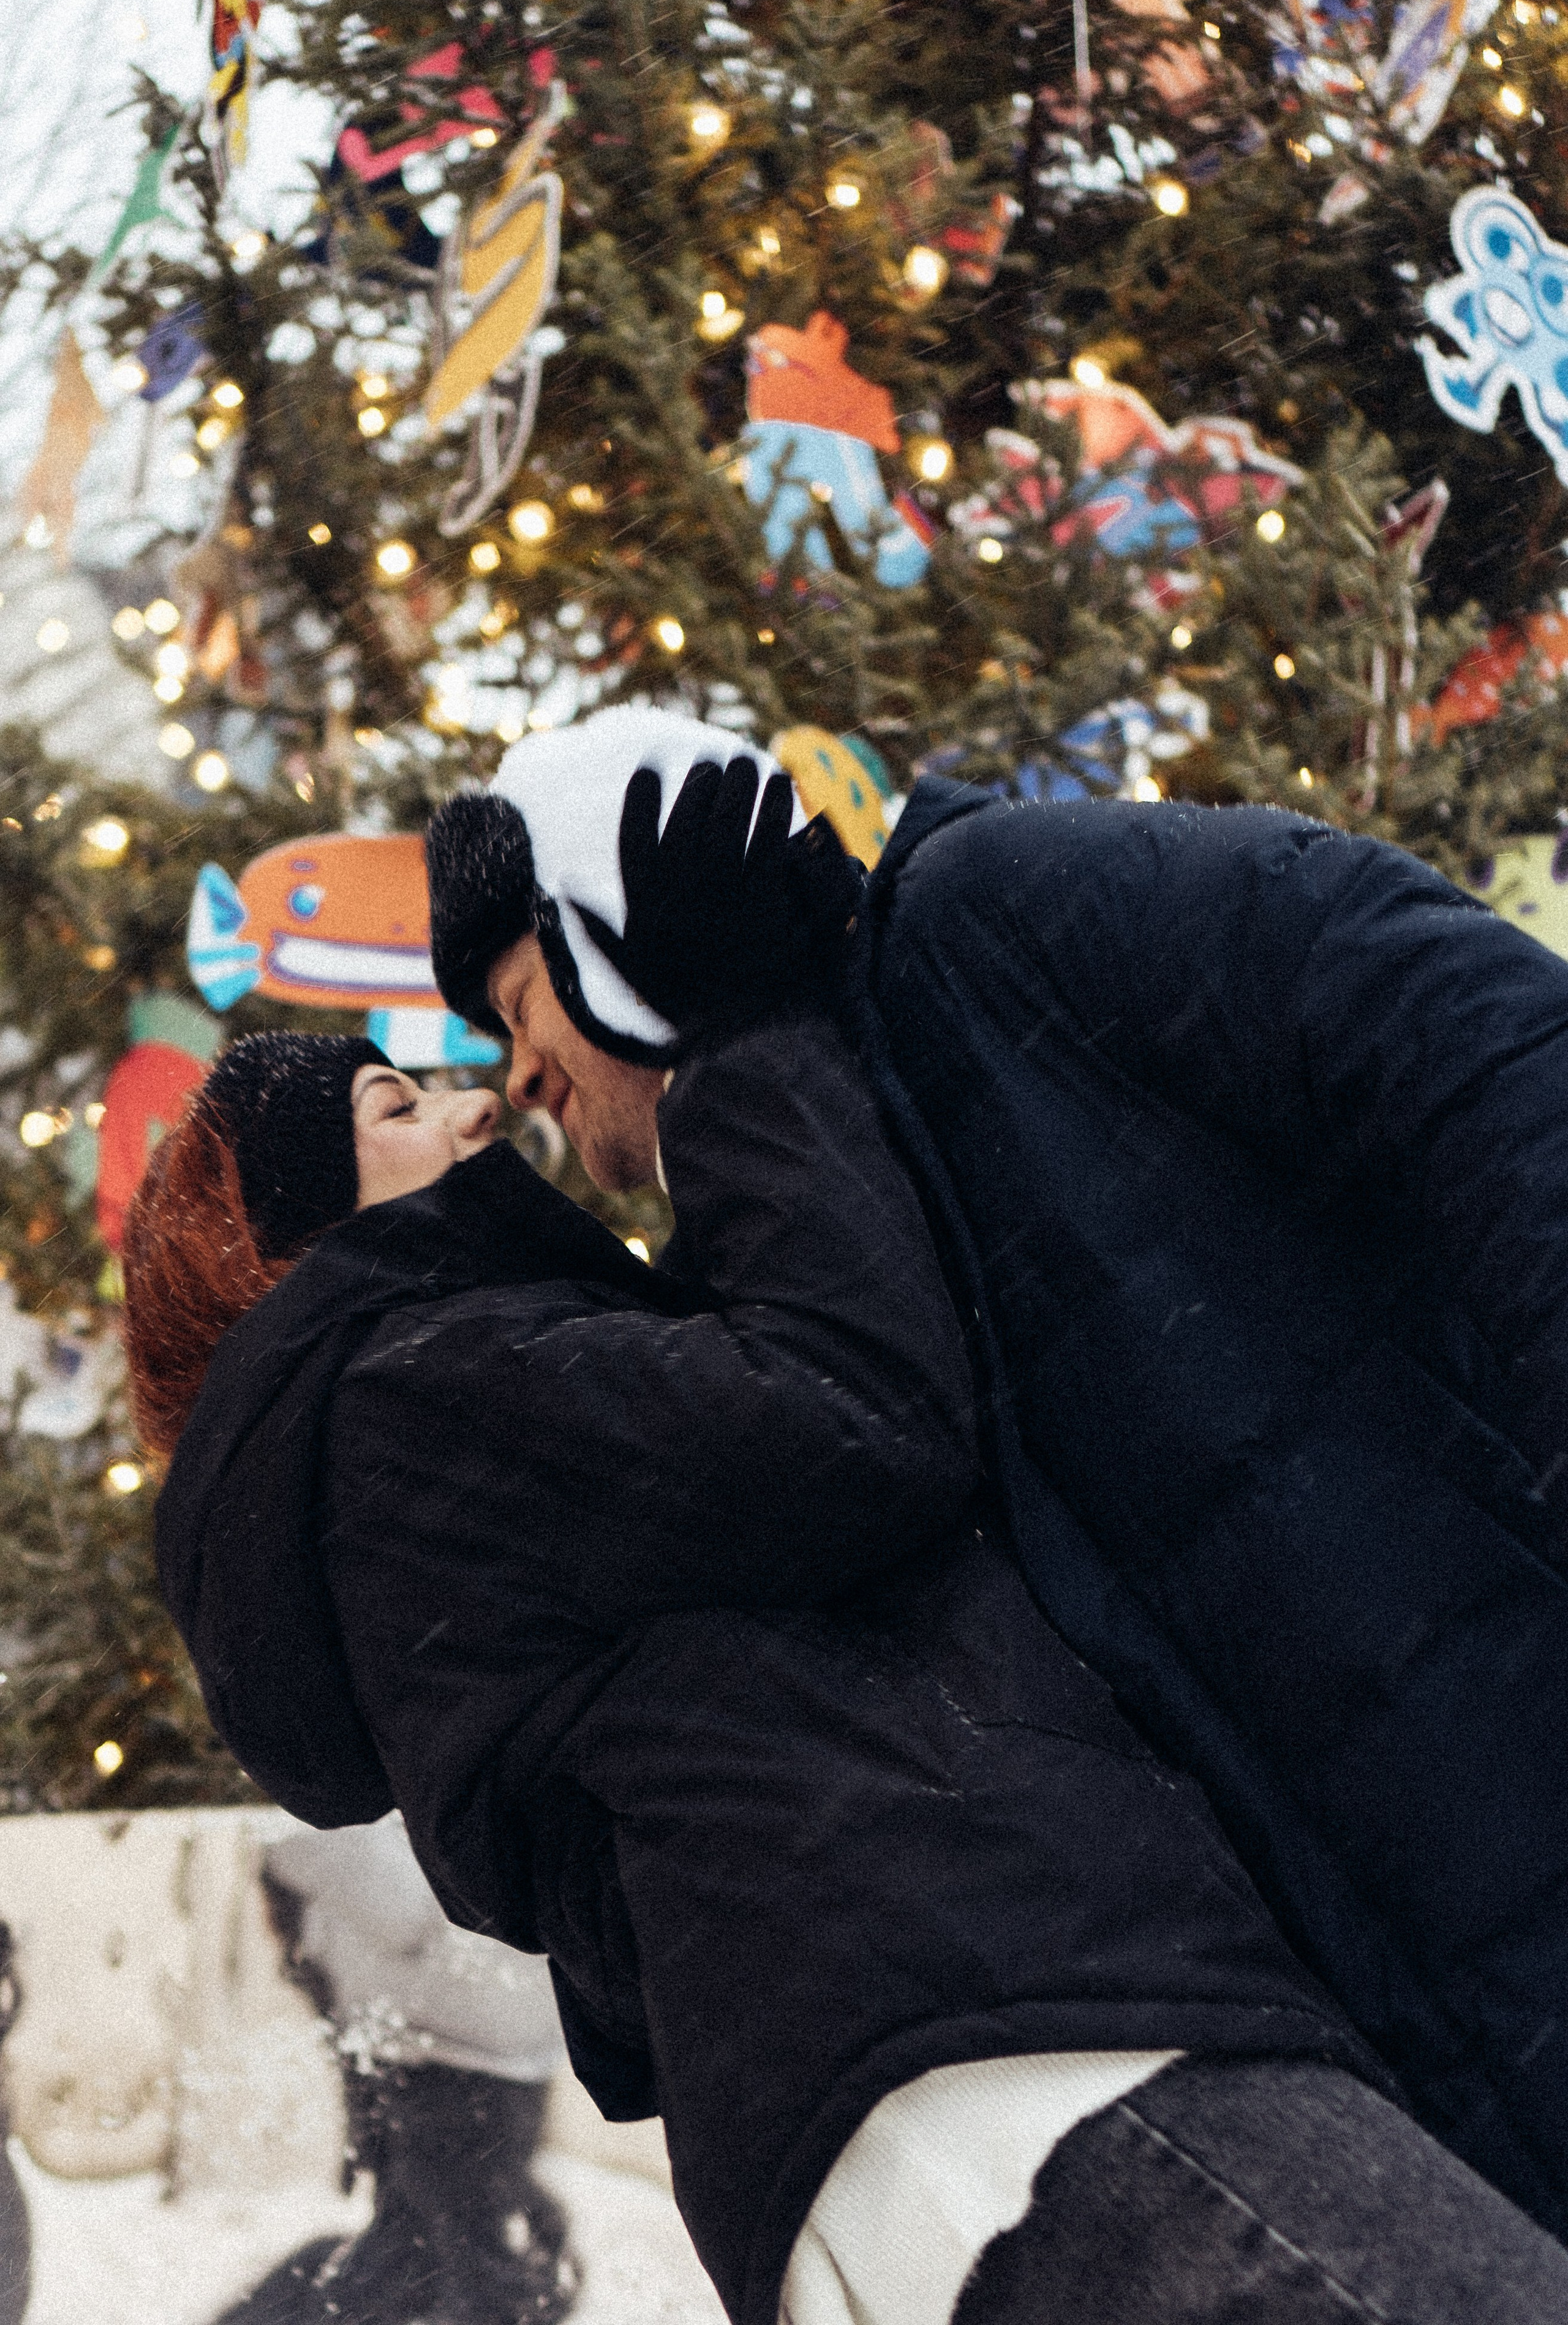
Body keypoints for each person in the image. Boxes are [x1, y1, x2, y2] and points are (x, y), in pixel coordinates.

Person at [127, 1017, 1568, 2318]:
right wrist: (741, 1025)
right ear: (290, 1245)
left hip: (921, 2102)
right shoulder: (413, 1390)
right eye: (394, 1107)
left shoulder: (422, 1451)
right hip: (1016, 2045)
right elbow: (852, 1411)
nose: (475, 1106)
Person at [424, 705, 1568, 2247]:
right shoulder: (783, 1261)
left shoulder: (993, 913)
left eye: (518, 1005)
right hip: (1371, 1992)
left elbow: (1466, 1031)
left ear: (609, 920)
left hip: (1505, 1738)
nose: (515, 1079)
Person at [214, 1814, 575, 2324]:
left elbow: (396, 1907)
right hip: (476, 2042)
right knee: (434, 2247)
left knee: (432, 2253)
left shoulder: (330, 1800)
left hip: (447, 2048)